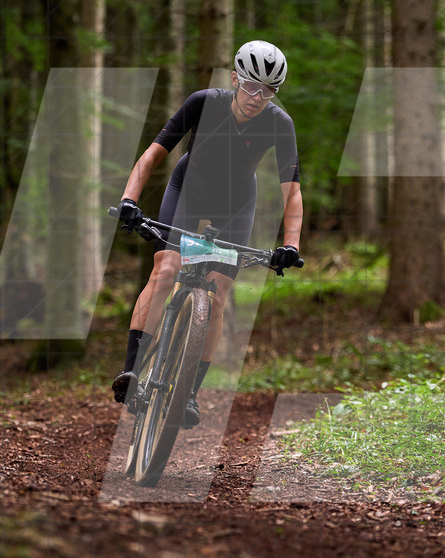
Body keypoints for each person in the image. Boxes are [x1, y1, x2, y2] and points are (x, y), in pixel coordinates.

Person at [113, 40, 304, 429]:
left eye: (268, 91)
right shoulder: (204, 102)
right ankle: (131, 371)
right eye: (251, 86)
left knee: (217, 294)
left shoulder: (279, 123)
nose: (257, 97)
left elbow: (293, 191)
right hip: (190, 190)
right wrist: (130, 200)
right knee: (166, 270)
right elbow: (152, 155)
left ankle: (190, 393)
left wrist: (291, 245)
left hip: (236, 203)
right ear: (235, 78)